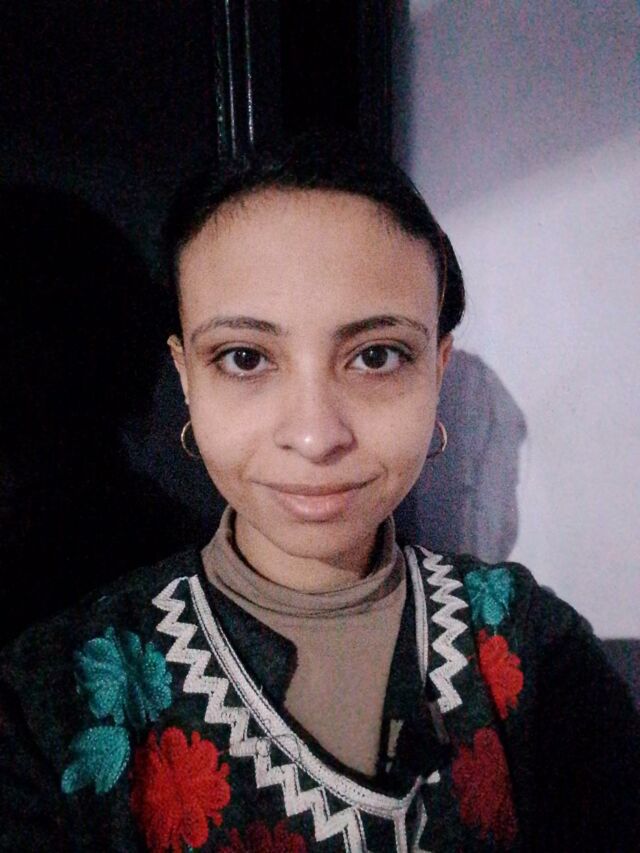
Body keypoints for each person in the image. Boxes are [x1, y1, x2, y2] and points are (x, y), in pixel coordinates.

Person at [1, 136, 638, 852]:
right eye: (245, 358)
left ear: (436, 370)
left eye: (377, 356)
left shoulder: (532, 647)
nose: (315, 436)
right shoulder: (52, 697)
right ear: (186, 376)